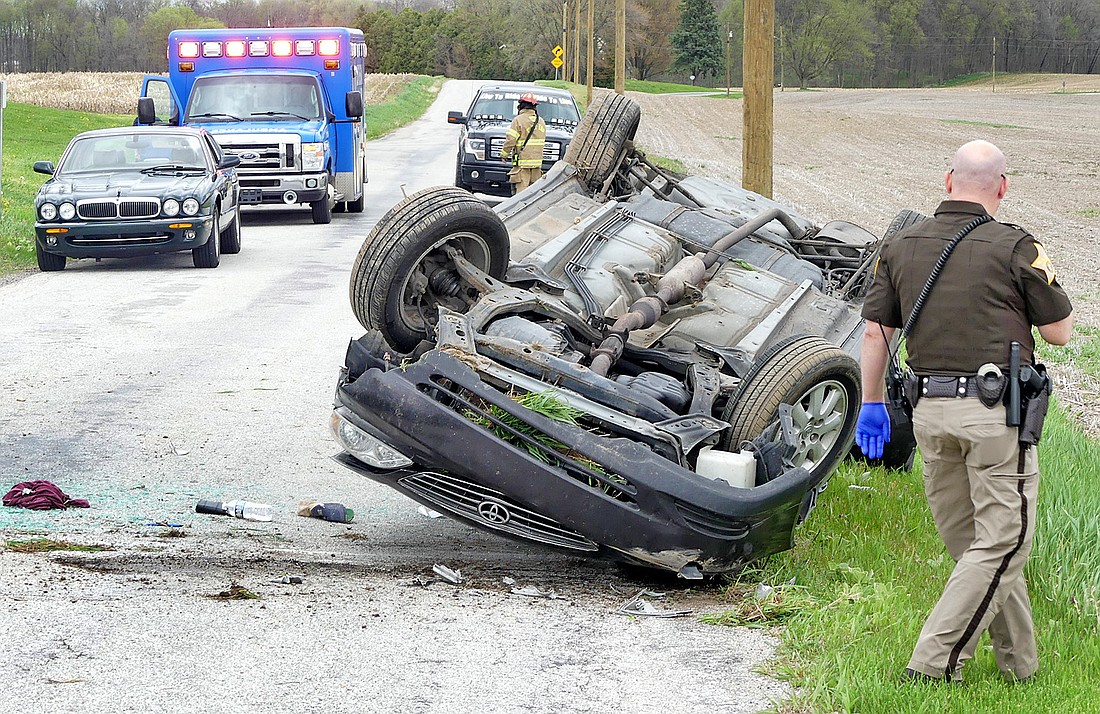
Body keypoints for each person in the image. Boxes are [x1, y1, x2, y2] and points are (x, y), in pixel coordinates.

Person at [856, 139, 1074, 684]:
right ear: (1002, 187)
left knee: (976, 548)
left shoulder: (899, 246)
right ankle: (933, 665)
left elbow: (875, 333)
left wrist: (872, 404)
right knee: (1001, 543)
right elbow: (1060, 334)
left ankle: (1020, 669)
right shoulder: (1017, 246)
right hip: (994, 417)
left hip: (928, 414)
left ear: (946, 181)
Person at [500, 92, 546, 195]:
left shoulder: (518, 120)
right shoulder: (541, 121)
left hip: (522, 164)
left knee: (521, 195)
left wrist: (504, 154)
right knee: (534, 194)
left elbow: (510, 140)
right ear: (534, 106)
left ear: (520, 105)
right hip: (537, 165)